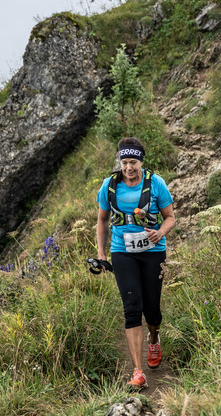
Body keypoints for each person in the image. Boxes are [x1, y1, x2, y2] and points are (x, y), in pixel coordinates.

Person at [91, 137, 176, 390]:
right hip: (122, 251)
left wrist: (160, 232)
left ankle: (154, 338)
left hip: (153, 251)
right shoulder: (109, 185)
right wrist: (101, 254)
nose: (129, 167)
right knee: (131, 307)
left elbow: (170, 217)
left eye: (134, 162)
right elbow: (102, 221)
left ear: (141, 161)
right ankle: (138, 372)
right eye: (125, 161)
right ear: (120, 161)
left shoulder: (156, 183)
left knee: (152, 309)